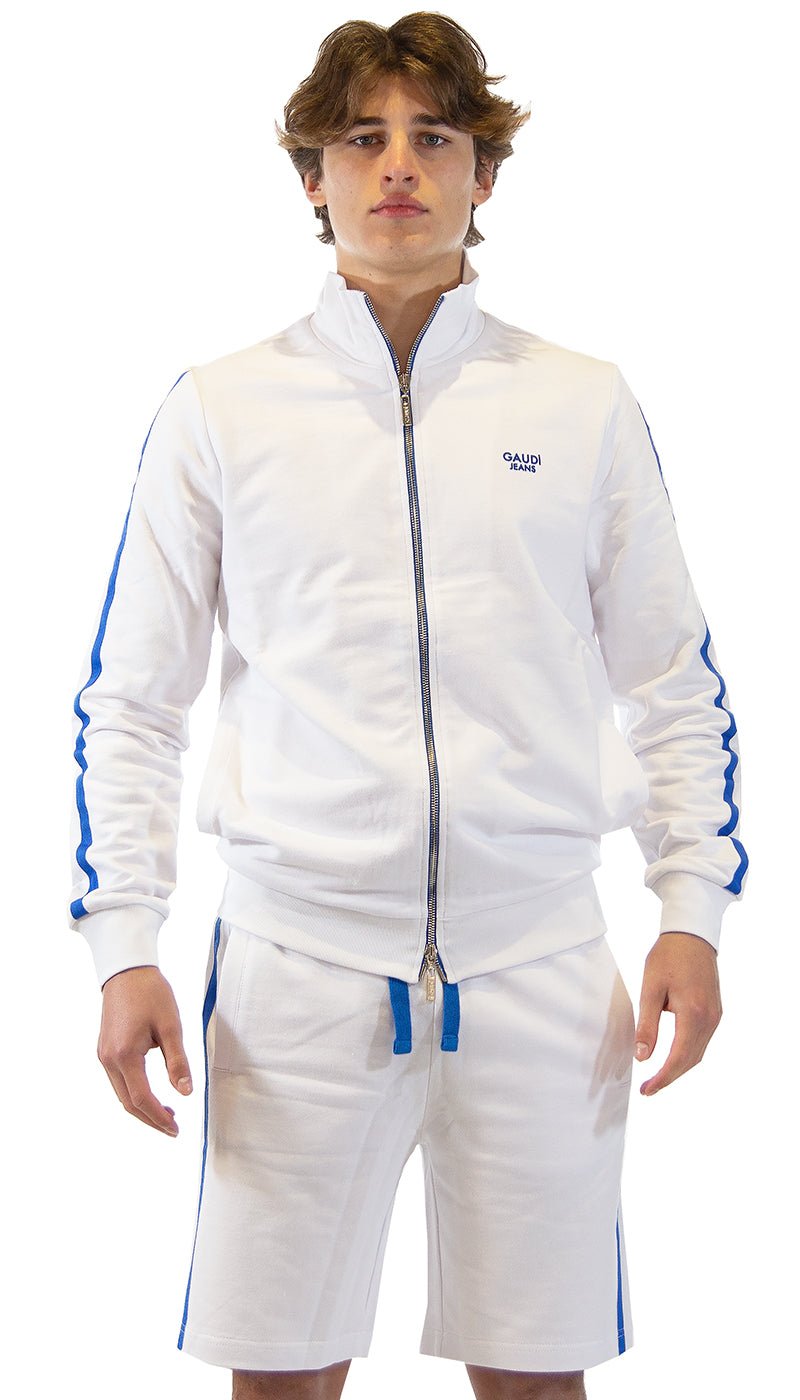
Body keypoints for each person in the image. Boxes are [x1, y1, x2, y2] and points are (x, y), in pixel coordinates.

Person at [68, 13, 748, 1400]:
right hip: (295, 966)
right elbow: (133, 704)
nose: (397, 166)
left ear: (483, 175)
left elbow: (673, 680)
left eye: (434, 138)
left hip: (540, 962)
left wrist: (690, 909)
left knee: (536, 1376)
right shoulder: (220, 410)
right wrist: (123, 945)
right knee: (282, 1375)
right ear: (310, 177)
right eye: (361, 138)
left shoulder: (582, 403)